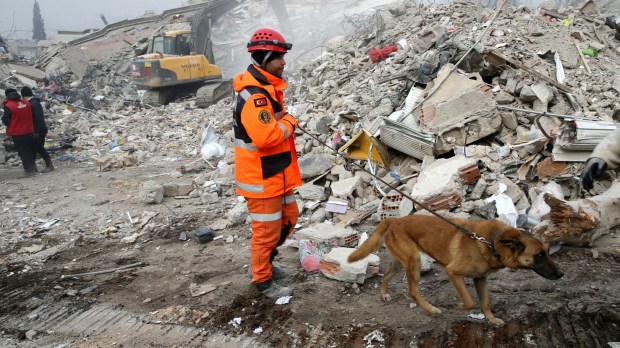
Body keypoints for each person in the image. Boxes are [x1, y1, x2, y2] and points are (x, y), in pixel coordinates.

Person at [233, 28, 301, 299]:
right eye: (279, 57)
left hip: (277, 173)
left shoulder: (268, 90)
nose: (283, 62)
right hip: (261, 180)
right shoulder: (255, 96)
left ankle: (268, 262)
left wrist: (284, 120)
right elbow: (267, 136)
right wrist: (291, 122)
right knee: (265, 232)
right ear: (263, 58)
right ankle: (263, 281)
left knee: (289, 218)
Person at [2, 88, 36, 178]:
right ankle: (33, 168)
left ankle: (28, 171)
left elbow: (5, 120)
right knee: (29, 150)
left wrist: (11, 123)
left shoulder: (9, 105)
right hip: (29, 130)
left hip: (18, 132)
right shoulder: (26, 103)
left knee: (23, 152)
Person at [21, 86, 54, 172]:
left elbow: (37, 118)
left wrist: (35, 131)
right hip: (39, 129)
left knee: (38, 147)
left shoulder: (33, 104)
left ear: (24, 96)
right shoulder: (35, 102)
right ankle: (35, 167)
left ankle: (49, 165)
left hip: (39, 130)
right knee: (35, 147)